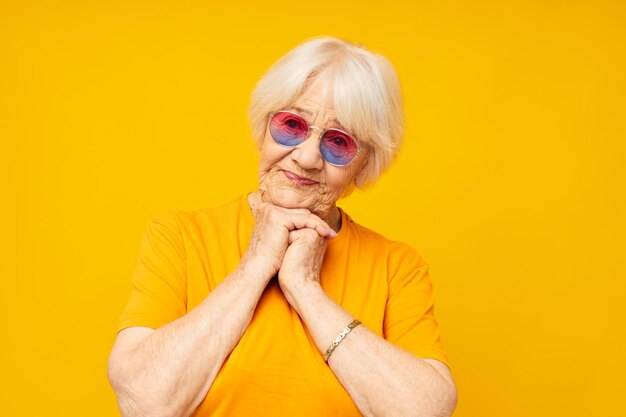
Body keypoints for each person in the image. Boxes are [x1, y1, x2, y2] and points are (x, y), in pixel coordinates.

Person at [107, 36, 458, 417]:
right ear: (262, 127)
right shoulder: (179, 235)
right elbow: (143, 402)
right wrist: (257, 264)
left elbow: (424, 411)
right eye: (292, 124)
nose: (306, 158)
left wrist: (306, 289)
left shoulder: (396, 267)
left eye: (338, 143)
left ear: (364, 165)